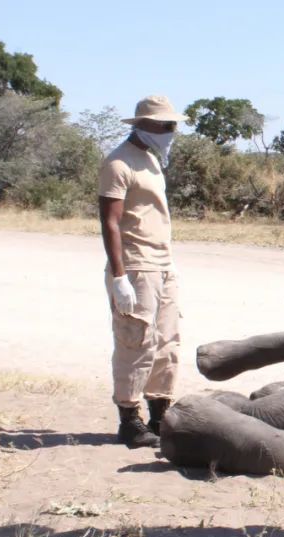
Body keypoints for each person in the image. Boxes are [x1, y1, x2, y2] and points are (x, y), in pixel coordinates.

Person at [98, 95, 186, 448]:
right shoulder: (119, 163)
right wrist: (120, 278)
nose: (170, 131)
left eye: (172, 125)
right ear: (143, 125)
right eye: (165, 125)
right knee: (136, 341)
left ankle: (160, 413)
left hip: (163, 264)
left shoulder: (152, 159)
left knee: (167, 341)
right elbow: (110, 221)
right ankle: (129, 419)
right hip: (135, 265)